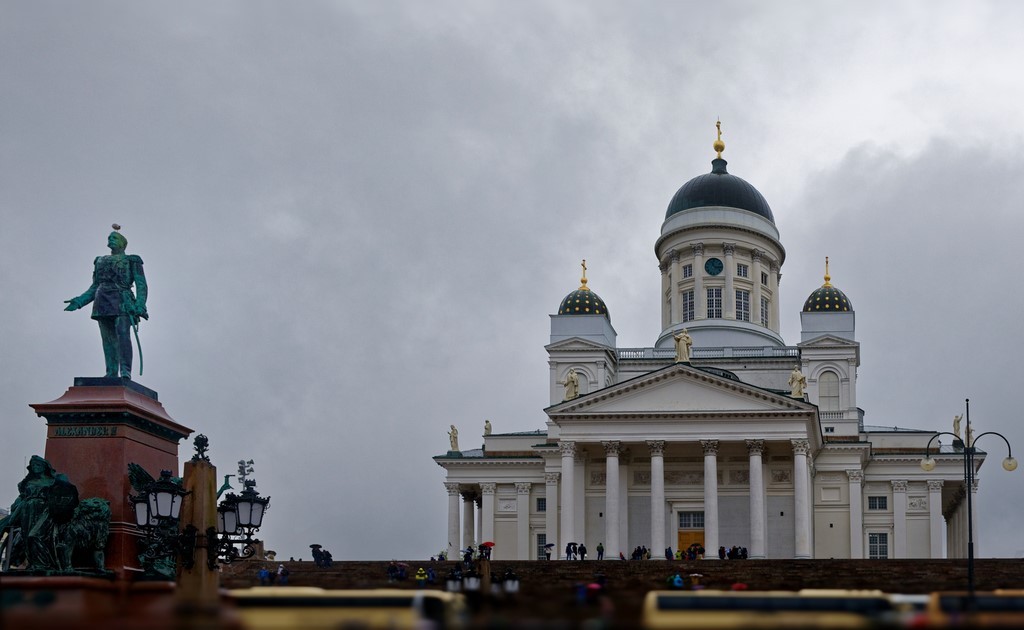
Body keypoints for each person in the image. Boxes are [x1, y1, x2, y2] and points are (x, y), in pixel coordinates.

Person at [64, 226, 148, 379]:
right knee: (108, 339)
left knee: (123, 334)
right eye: (109, 238)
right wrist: (79, 301)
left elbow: (141, 285)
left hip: (123, 301)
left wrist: (140, 305)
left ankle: (125, 371)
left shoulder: (131, 260)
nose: (110, 240)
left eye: (114, 238)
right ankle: (111, 372)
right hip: (102, 300)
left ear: (123, 243)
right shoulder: (100, 261)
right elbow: (95, 286)